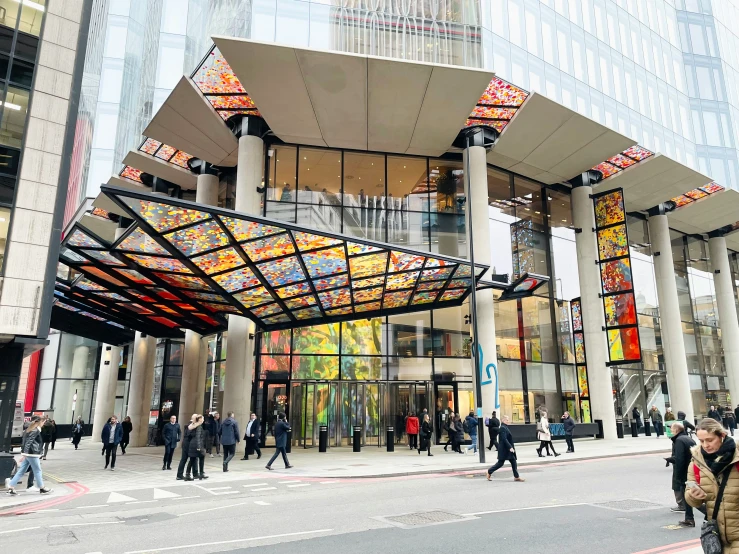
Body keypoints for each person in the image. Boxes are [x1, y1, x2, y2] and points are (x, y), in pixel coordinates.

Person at [685, 418, 739, 550]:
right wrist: (694, 496)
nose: (705, 445)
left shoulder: (736, 458)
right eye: (701, 441)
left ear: (722, 436)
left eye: (709, 440)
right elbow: (691, 498)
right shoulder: (696, 463)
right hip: (717, 537)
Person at [6, 416, 53, 495]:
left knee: (22, 471)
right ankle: (42, 488)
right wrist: (25, 453)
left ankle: (11, 487)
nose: (43, 424)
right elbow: (28, 442)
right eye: (43, 422)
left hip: (29, 453)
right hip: (32, 453)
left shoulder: (29, 430)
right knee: (37, 470)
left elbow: (25, 442)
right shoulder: (35, 430)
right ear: (39, 422)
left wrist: (24, 453)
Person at [665, 422, 696, 528]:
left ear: (676, 430)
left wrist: (678, 476)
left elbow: (680, 459)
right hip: (691, 470)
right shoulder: (687, 438)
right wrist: (670, 459)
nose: (670, 431)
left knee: (688, 496)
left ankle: (691, 518)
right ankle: (689, 518)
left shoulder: (679, 441)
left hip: (685, 472)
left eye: (672, 429)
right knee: (690, 495)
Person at [486, 415, 524, 482]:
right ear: (503, 420)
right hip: (504, 449)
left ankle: (516, 476)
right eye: (507, 420)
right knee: (500, 463)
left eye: (508, 419)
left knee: (513, 461)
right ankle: (489, 471)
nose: (508, 421)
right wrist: (510, 447)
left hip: (506, 449)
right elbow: (504, 439)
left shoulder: (505, 427)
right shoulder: (503, 428)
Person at [185, 415, 207, 481]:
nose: (203, 420)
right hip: (197, 444)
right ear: (200, 419)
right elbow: (198, 437)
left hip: (192, 444)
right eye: (202, 418)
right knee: (202, 458)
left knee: (192, 460)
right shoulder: (199, 426)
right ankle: (201, 474)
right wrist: (199, 447)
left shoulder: (193, 425)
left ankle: (187, 474)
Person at [176, 414, 196, 481]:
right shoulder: (191, 425)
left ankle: (180, 475)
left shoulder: (189, 424)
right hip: (188, 444)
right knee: (190, 459)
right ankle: (184, 474)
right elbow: (190, 434)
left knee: (186, 459)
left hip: (186, 444)